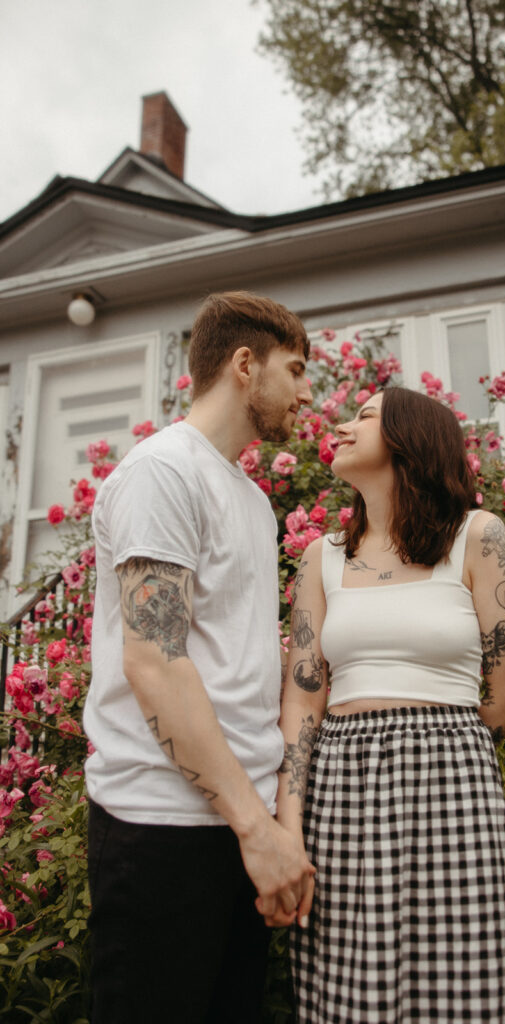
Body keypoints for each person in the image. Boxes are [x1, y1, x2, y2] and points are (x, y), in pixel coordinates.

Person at [83, 291, 315, 1024]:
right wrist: (257, 829)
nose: (308, 393)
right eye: (297, 370)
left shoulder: (249, 497)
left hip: (237, 829)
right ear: (245, 365)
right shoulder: (162, 473)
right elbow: (155, 663)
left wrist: (269, 827)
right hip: (160, 830)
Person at [274, 386, 505, 1023]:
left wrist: (437, 749)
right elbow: (303, 700)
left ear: (409, 439)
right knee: (343, 988)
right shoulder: (322, 558)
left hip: (453, 786)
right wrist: (289, 821)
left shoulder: (478, 536)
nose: (341, 424)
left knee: (457, 990)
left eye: (363, 416)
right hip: (340, 788)